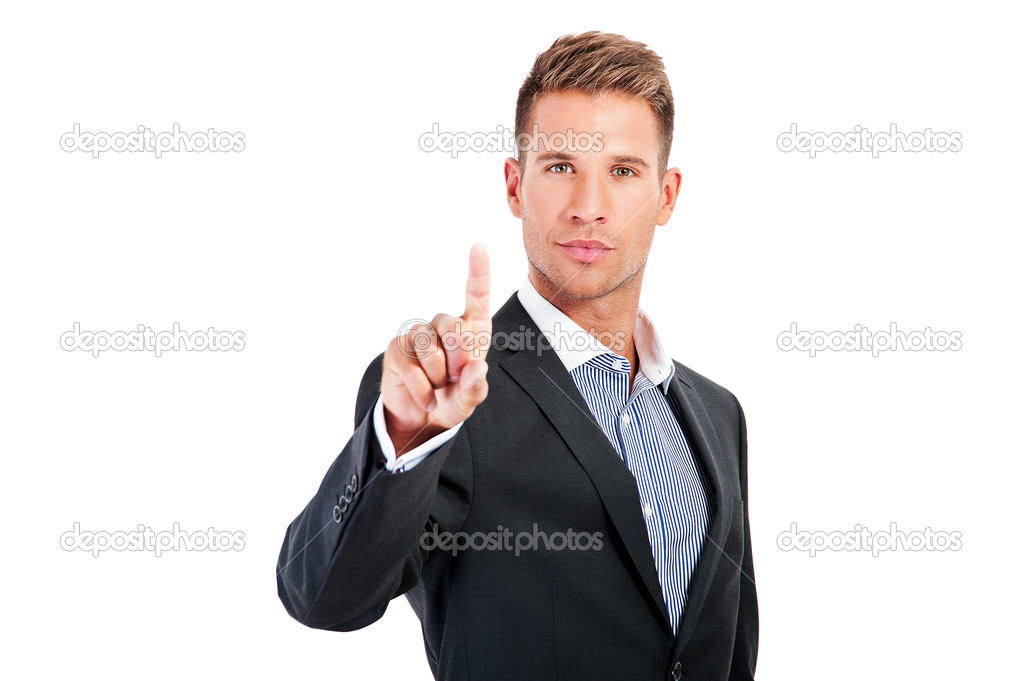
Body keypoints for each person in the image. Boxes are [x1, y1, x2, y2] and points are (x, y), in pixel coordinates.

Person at [277, 31, 758, 680]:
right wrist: (404, 440)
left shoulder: (717, 414)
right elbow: (325, 595)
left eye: (622, 171)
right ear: (513, 184)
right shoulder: (443, 395)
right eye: (560, 166)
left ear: (665, 195)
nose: (589, 208)